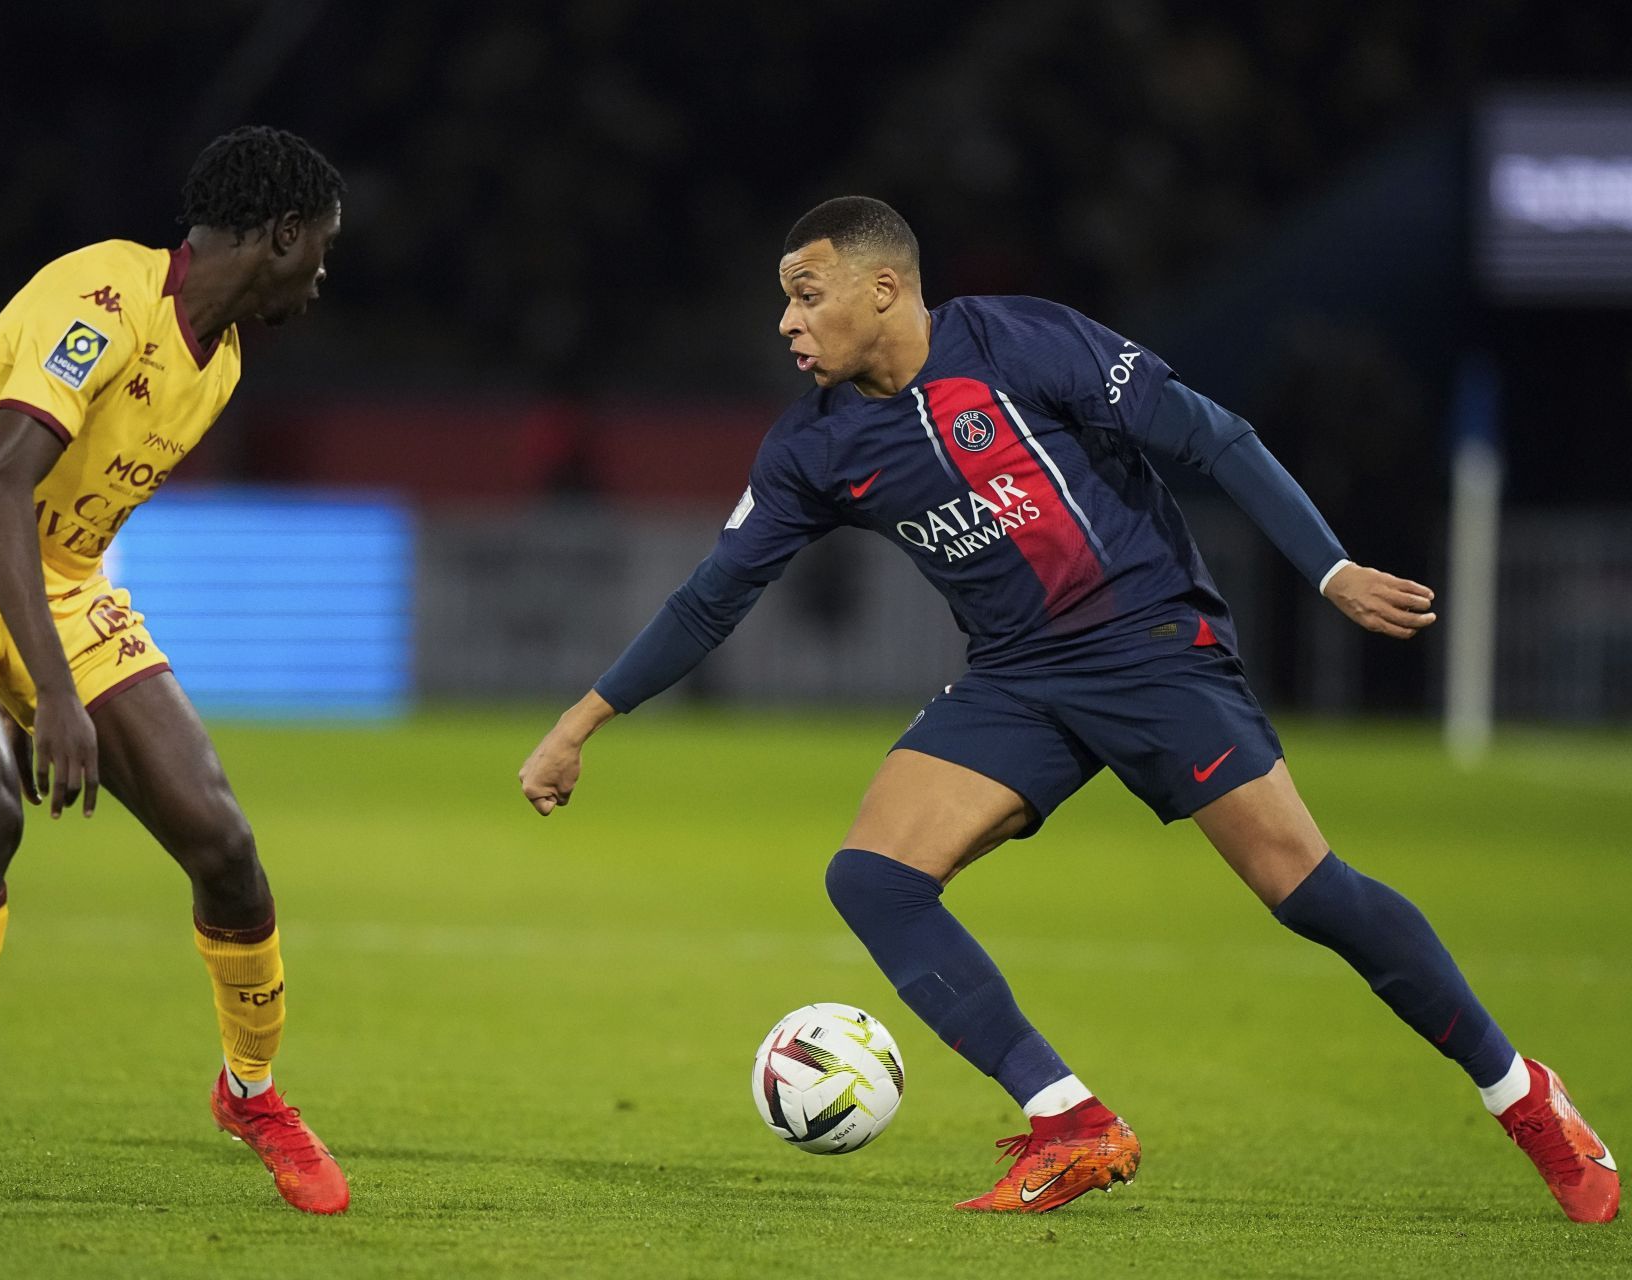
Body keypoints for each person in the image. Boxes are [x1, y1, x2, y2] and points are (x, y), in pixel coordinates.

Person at [519, 196, 1617, 1222]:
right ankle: (1072, 1120)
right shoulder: (813, 446)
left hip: (1147, 642)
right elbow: (716, 594)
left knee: (1307, 890)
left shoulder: (1017, 340)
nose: (786, 322)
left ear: (887, 288)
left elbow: (1211, 433)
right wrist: (581, 721)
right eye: (786, 299)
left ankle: (1523, 1093)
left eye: (808, 293)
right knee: (872, 875)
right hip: (1016, 674)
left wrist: (1327, 570)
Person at [0, 125, 349, 1219]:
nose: (323, 275)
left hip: (54, 579)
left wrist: (49, 670)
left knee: (225, 842)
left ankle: (250, 1091)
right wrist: (54, 697)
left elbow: (70, 525)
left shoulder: (223, 365)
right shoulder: (104, 297)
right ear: (282, 235)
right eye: (322, 250)